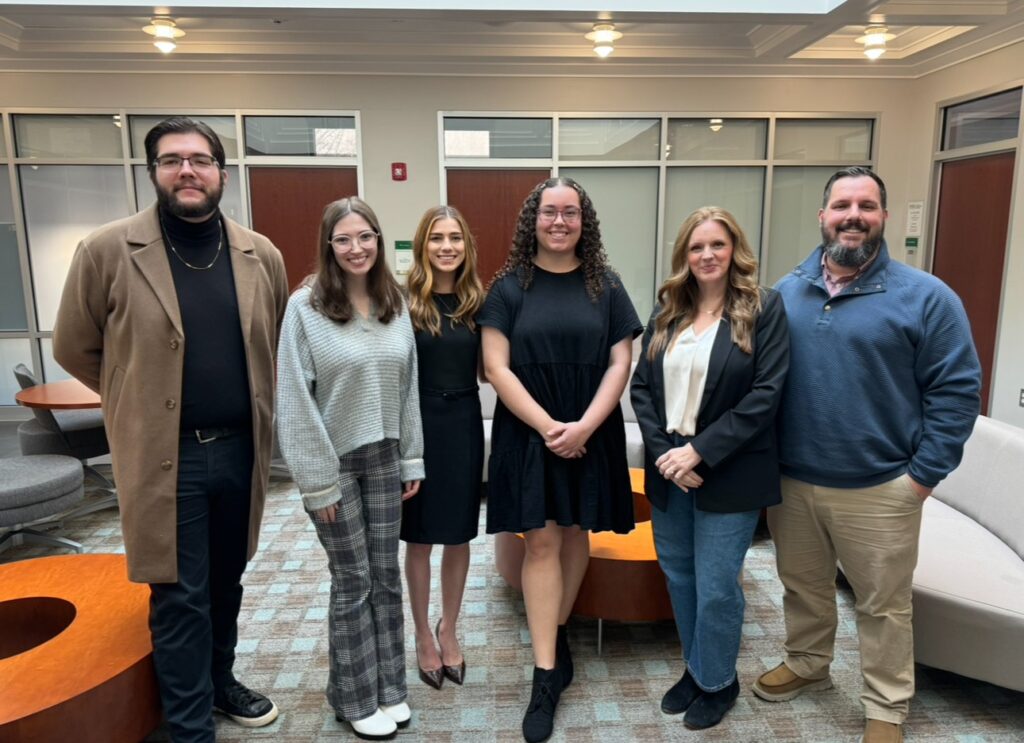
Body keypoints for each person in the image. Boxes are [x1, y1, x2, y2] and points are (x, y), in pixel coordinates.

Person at [52, 116, 287, 741]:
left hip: (241, 453)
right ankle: (188, 725)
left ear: (221, 174)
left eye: (200, 160)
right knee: (180, 593)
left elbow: (271, 343)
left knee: (226, 581)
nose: (187, 170)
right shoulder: (108, 250)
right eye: (171, 160)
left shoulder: (259, 254)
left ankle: (218, 682)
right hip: (166, 457)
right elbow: (75, 348)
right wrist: (137, 397)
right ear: (152, 172)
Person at [753, 167, 982, 743]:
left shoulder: (927, 297)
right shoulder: (785, 292)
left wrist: (922, 478)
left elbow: (955, 393)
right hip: (793, 481)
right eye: (842, 205)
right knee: (801, 586)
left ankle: (885, 706)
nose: (853, 215)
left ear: (882, 216)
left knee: (883, 606)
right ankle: (807, 664)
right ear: (822, 216)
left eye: (867, 206)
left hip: (882, 487)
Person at [479, 176, 642, 743]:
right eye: (549, 212)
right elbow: (496, 367)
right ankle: (545, 674)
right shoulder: (508, 286)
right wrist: (551, 427)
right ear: (534, 219)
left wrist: (586, 427)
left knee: (576, 531)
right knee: (542, 539)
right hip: (531, 429)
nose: (559, 222)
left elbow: (620, 362)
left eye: (570, 212)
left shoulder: (607, 283)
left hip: (590, 426)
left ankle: (559, 630)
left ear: (583, 221)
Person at [630, 206, 789, 729]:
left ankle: (718, 682)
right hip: (670, 468)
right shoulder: (668, 311)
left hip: (728, 468)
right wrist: (666, 455)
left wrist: (698, 452)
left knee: (718, 584)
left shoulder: (763, 309)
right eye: (696, 247)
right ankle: (698, 668)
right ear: (684, 256)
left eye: (717, 245)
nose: (707, 255)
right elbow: (643, 390)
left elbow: (766, 396)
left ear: (734, 249)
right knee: (679, 574)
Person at [275, 196, 423, 741]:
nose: (356, 248)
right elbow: (294, 400)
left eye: (365, 236)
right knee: (353, 579)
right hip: (332, 462)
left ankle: (389, 688)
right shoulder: (304, 308)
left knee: (386, 576)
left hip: (385, 456)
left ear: (379, 241)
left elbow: (407, 388)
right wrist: (316, 482)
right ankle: (355, 697)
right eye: (343, 239)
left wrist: (412, 456)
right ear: (329, 246)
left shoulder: (395, 302)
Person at [402, 205, 486, 690]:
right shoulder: (404, 304)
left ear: (466, 246)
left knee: (458, 535)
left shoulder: (481, 303)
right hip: (419, 423)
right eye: (437, 238)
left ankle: (448, 628)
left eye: (455, 237)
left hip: (463, 423)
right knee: (419, 537)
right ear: (423, 246)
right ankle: (421, 635)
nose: (447, 246)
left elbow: (494, 368)